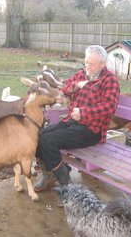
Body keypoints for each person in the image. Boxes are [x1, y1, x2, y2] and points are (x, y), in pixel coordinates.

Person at [34, 45, 120, 193]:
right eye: (86, 62)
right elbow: (62, 89)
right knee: (37, 136)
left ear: (103, 64)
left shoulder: (110, 80)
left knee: (49, 141)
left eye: (92, 64)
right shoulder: (81, 75)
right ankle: (53, 172)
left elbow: (109, 107)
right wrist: (77, 85)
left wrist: (83, 112)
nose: (88, 66)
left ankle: (66, 183)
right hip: (71, 122)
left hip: (91, 130)